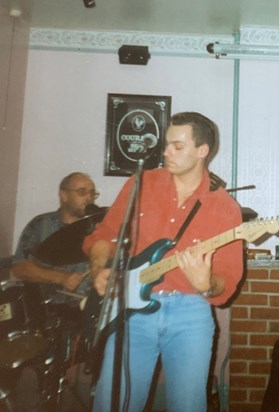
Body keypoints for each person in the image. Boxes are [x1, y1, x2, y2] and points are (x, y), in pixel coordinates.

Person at [83, 111, 244, 412]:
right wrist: (98, 269)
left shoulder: (224, 207)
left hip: (190, 315)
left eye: (177, 146)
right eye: (167, 144)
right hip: (131, 311)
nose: (166, 152)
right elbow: (105, 235)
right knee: (114, 404)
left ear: (202, 151)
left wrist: (207, 285)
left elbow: (229, 278)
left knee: (188, 406)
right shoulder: (140, 184)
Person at [9, 172, 99, 411]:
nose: (89, 198)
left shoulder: (97, 229)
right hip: (52, 306)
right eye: (82, 192)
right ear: (63, 195)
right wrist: (60, 277)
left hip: (91, 305)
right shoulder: (41, 225)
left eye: (92, 193)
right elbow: (19, 267)